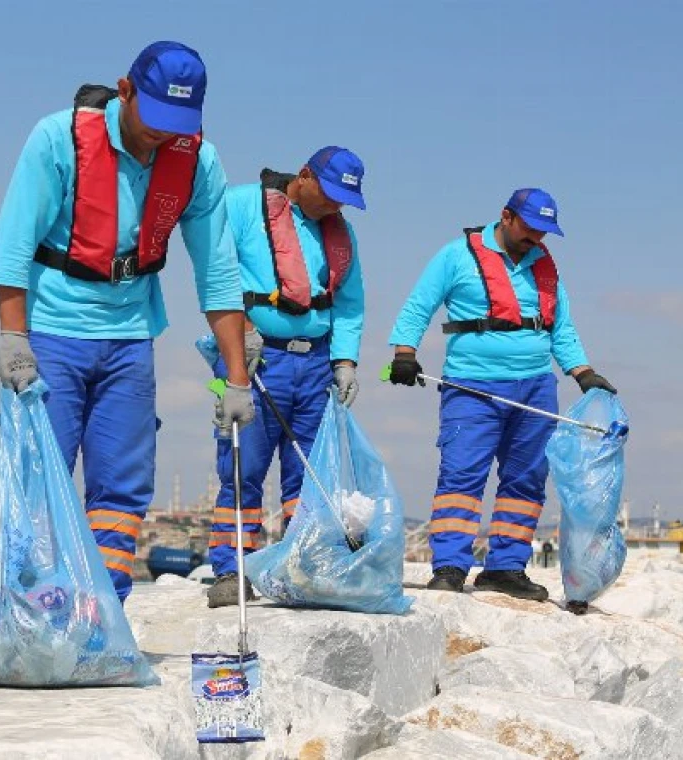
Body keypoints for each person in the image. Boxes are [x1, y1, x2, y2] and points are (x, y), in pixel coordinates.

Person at [0, 40, 255, 602]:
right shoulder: (59, 138)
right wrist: (13, 336)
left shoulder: (197, 161)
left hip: (131, 334)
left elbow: (218, 271)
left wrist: (236, 378)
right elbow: (13, 243)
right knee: (39, 476)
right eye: (153, 118)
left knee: (123, 485)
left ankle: (98, 612)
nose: (161, 134)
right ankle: (26, 609)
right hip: (52, 329)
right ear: (126, 90)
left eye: (176, 123)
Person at [388, 188, 617, 601]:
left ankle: (506, 568)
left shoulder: (544, 264)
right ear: (506, 217)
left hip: (535, 387)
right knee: (461, 475)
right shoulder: (455, 256)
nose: (538, 240)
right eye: (532, 230)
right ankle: (451, 566)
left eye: (545, 233)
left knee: (527, 478)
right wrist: (405, 353)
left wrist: (583, 373)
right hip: (471, 386)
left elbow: (560, 327)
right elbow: (418, 306)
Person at [206, 147, 368, 608]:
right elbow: (215, 269)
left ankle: (303, 566)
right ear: (304, 176)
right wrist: (242, 332)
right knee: (243, 467)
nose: (334, 207)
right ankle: (231, 568)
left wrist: (346, 360)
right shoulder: (240, 205)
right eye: (330, 194)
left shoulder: (342, 234)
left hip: (314, 363)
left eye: (344, 201)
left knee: (309, 473)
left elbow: (350, 303)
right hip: (252, 357)